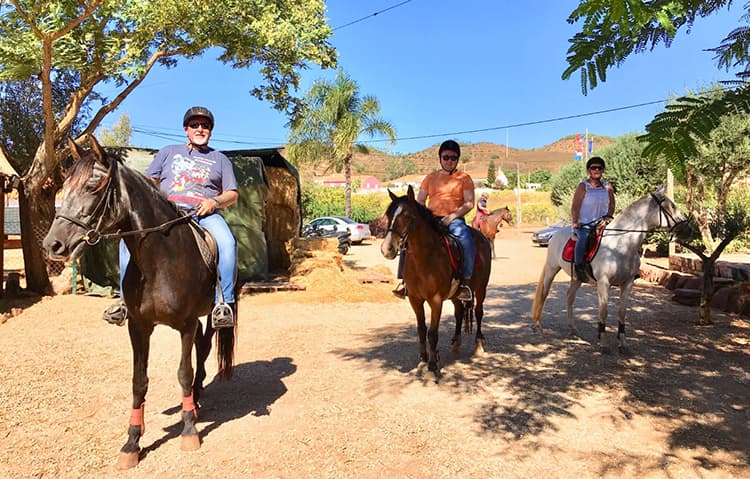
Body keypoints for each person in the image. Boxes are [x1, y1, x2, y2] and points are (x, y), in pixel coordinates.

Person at [103, 106, 239, 326]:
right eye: (195, 125)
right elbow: (151, 183)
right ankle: (123, 302)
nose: (200, 129)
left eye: (205, 126)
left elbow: (232, 194)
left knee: (228, 243)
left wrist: (214, 202)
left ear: (210, 131)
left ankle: (224, 303)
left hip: (204, 215)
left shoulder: (220, 159)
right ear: (186, 129)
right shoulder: (168, 152)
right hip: (168, 214)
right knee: (127, 239)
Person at [392, 139, 476, 301]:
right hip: (430, 219)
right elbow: (420, 201)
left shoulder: (465, 178)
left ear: (458, 159)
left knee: (466, 240)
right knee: (407, 241)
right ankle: (405, 282)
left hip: (454, 219)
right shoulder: (430, 178)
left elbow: (469, 203)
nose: (449, 161)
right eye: (446, 157)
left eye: (453, 157)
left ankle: (464, 283)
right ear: (440, 158)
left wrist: (451, 217)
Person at [571, 156, 615, 282]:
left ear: (603, 170)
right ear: (588, 170)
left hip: (603, 223)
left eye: (599, 168)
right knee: (584, 239)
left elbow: (612, 204)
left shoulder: (607, 186)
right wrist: (575, 221)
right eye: (593, 168)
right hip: (584, 223)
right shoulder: (583, 186)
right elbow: (575, 206)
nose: (596, 170)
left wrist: (609, 216)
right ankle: (579, 267)